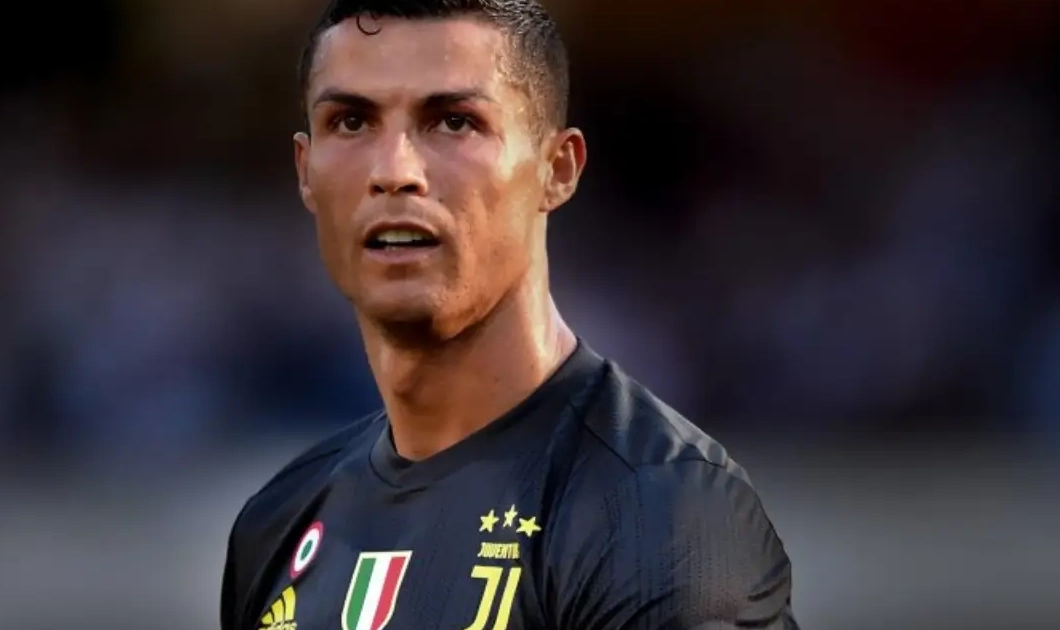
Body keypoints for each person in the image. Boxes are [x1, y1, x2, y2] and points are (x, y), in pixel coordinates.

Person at [220, 1, 799, 628]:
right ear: (305, 172)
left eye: (454, 122)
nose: (394, 172)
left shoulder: (657, 511)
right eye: (352, 121)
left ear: (558, 169)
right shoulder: (280, 519)